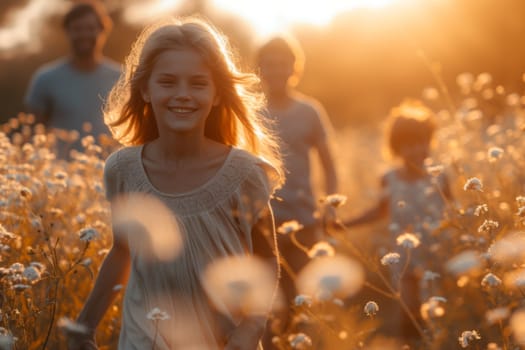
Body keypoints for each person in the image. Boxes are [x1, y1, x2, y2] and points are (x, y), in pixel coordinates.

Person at [64, 16, 284, 350]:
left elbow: (267, 259)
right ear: (145, 90)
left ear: (217, 95)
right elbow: (122, 250)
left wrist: (250, 329)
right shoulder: (122, 169)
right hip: (144, 340)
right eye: (167, 82)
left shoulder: (244, 174)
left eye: (198, 83)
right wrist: (85, 327)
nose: (183, 95)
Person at [343, 99, 454, 345]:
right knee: (410, 308)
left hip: (436, 253)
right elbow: (378, 212)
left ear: (430, 141)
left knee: (439, 309)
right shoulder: (389, 179)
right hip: (404, 258)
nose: (416, 149)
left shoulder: (440, 176)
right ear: (396, 147)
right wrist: (345, 223)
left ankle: (439, 341)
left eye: (422, 142)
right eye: (409, 144)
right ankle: (409, 342)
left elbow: (453, 214)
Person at [254, 34, 338, 337]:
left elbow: (329, 164)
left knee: (302, 299)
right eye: (269, 64)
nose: (276, 71)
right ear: (259, 69)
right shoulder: (250, 111)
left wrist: (330, 209)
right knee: (264, 302)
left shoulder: (310, 111)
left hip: (304, 220)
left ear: (294, 68)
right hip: (261, 223)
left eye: (283, 64)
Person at [24, 0, 121, 158]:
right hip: (59, 176)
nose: (84, 35)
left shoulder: (121, 78)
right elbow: (32, 134)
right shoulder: (46, 78)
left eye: (90, 29)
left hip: (110, 173)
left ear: (102, 31)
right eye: (77, 29)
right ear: (67, 32)